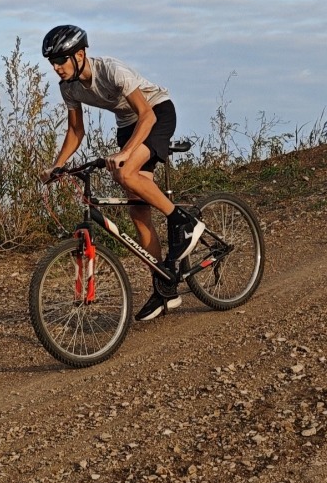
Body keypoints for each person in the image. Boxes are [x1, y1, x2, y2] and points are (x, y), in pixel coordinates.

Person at [39, 25, 204, 322]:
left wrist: (126, 153)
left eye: (61, 59)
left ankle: (184, 221)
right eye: (52, 61)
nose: (56, 67)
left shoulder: (112, 71)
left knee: (125, 173)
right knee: (139, 213)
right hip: (128, 124)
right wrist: (57, 165)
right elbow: (75, 131)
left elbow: (147, 115)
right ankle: (166, 287)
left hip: (156, 113)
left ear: (80, 55)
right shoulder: (68, 87)